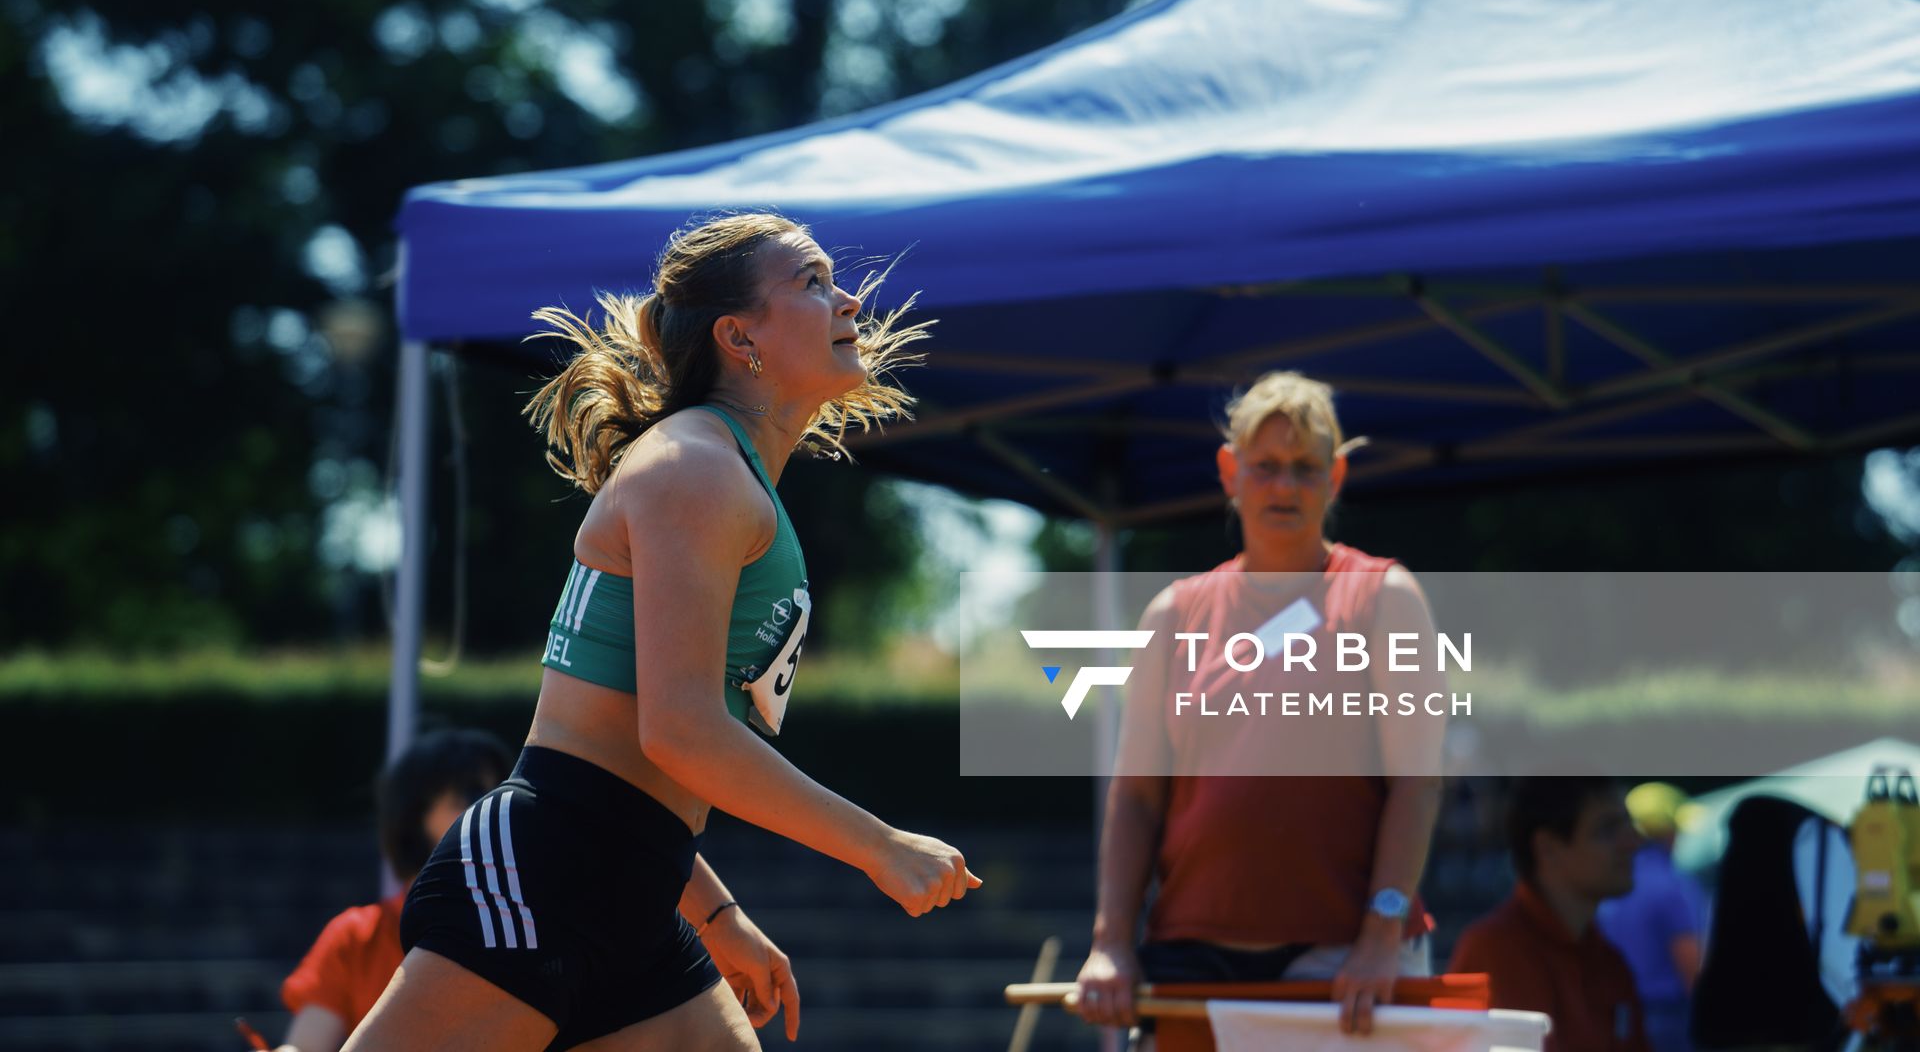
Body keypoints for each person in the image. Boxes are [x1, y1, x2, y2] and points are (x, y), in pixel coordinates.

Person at [345, 214, 981, 1052]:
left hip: (633, 878)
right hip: (548, 871)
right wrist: (878, 845)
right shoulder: (697, 468)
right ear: (737, 335)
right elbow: (678, 729)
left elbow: (643, 759)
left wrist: (713, 913)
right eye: (814, 282)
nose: (851, 300)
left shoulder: (723, 470)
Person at [1072, 371, 1447, 1041]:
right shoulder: (1174, 613)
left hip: (1345, 960)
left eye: (1305, 467)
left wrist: (1380, 933)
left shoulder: (1387, 598)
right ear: (1229, 469)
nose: (1284, 486)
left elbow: (1418, 783)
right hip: (1191, 955)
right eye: (1266, 465)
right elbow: (1135, 798)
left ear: (1335, 476)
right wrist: (1111, 942)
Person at [275, 728, 512, 1052]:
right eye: (471, 796)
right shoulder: (358, 937)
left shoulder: (530, 931)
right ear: (414, 815)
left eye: (501, 795)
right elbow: (305, 1045)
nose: (492, 809)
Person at [1450, 777, 1651, 1052]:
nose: (1634, 842)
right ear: (1547, 848)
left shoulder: (1609, 961)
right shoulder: (1497, 950)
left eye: (1627, 824)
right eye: (1607, 829)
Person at [1597, 783, 1708, 1052]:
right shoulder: (1671, 885)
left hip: (1620, 1021)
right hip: (1673, 1023)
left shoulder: (1607, 886)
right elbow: (1692, 967)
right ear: (1666, 831)